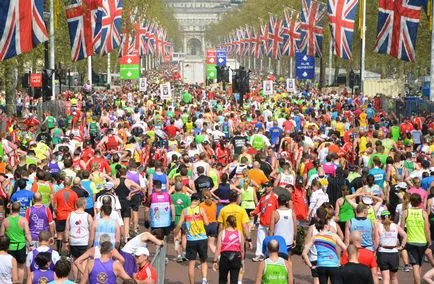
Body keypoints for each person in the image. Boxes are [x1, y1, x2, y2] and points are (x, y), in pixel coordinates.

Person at [173, 193, 209, 284]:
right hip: (202, 239)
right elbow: (207, 223)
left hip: (191, 240)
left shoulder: (185, 211)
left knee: (191, 263)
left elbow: (179, 224)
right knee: (203, 261)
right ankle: (204, 280)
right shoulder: (201, 209)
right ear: (197, 201)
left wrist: (175, 233)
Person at [302, 217, 347, 284]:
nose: (330, 226)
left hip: (321, 266)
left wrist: (311, 266)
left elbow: (304, 253)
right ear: (326, 226)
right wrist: (340, 260)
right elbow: (345, 249)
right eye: (329, 224)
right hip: (334, 265)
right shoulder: (334, 236)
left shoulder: (315, 237)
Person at [401, 193, 430, 284]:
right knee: (419, 265)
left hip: (411, 241)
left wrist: (403, 241)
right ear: (420, 202)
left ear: (410, 201)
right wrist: (428, 242)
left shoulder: (406, 212)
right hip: (422, 242)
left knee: (416, 265)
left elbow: (401, 229)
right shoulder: (423, 213)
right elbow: (427, 229)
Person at [0, 201, 32, 283]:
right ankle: (19, 282)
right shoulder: (23, 220)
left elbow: (2, 235)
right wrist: (31, 244)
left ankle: (11, 281)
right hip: (21, 246)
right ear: (19, 209)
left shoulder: (5, 220)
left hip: (10, 247)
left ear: (11, 209)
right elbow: (27, 234)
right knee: (21, 267)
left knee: (11, 266)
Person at [64, 197, 93, 282]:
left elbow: (67, 229)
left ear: (76, 205)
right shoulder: (88, 216)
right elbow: (91, 230)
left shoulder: (70, 214)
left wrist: (66, 241)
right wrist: (90, 243)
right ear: (84, 205)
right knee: (83, 261)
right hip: (84, 241)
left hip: (73, 240)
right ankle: (83, 279)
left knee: (75, 260)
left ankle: (75, 280)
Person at [375, 210, 408, 284]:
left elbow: (376, 241)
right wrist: (401, 246)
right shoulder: (395, 226)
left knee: (386, 279)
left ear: (381, 218)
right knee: (394, 278)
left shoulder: (379, 226)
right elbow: (405, 235)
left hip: (383, 252)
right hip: (394, 253)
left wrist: (374, 251)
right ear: (390, 217)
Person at [250, 181, 278, 262]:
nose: (266, 188)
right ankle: (259, 254)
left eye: (268, 186)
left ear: (272, 187)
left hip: (271, 223)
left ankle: (269, 255)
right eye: (265, 186)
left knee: (270, 240)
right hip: (262, 222)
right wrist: (253, 212)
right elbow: (258, 208)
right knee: (260, 239)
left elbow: (278, 210)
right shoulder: (262, 197)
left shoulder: (275, 197)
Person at [213, 215, 245, 284]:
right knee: (234, 279)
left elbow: (218, 249)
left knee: (222, 279)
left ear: (227, 222)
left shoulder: (222, 233)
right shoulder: (239, 233)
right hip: (236, 257)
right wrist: (242, 261)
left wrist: (215, 261)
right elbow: (242, 250)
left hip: (225, 257)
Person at [52, 176, 78, 252]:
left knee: (59, 235)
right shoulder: (74, 194)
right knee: (70, 234)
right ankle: (69, 253)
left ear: (63, 183)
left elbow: (54, 207)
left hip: (60, 216)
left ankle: (58, 252)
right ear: (71, 184)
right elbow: (76, 206)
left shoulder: (58, 193)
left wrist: (56, 213)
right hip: (70, 216)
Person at [171, 182, 191, 262]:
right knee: (184, 237)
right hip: (185, 219)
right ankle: (184, 253)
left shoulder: (171, 197)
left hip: (176, 219)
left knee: (176, 237)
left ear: (175, 188)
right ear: (182, 188)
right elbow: (189, 209)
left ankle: (179, 255)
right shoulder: (186, 198)